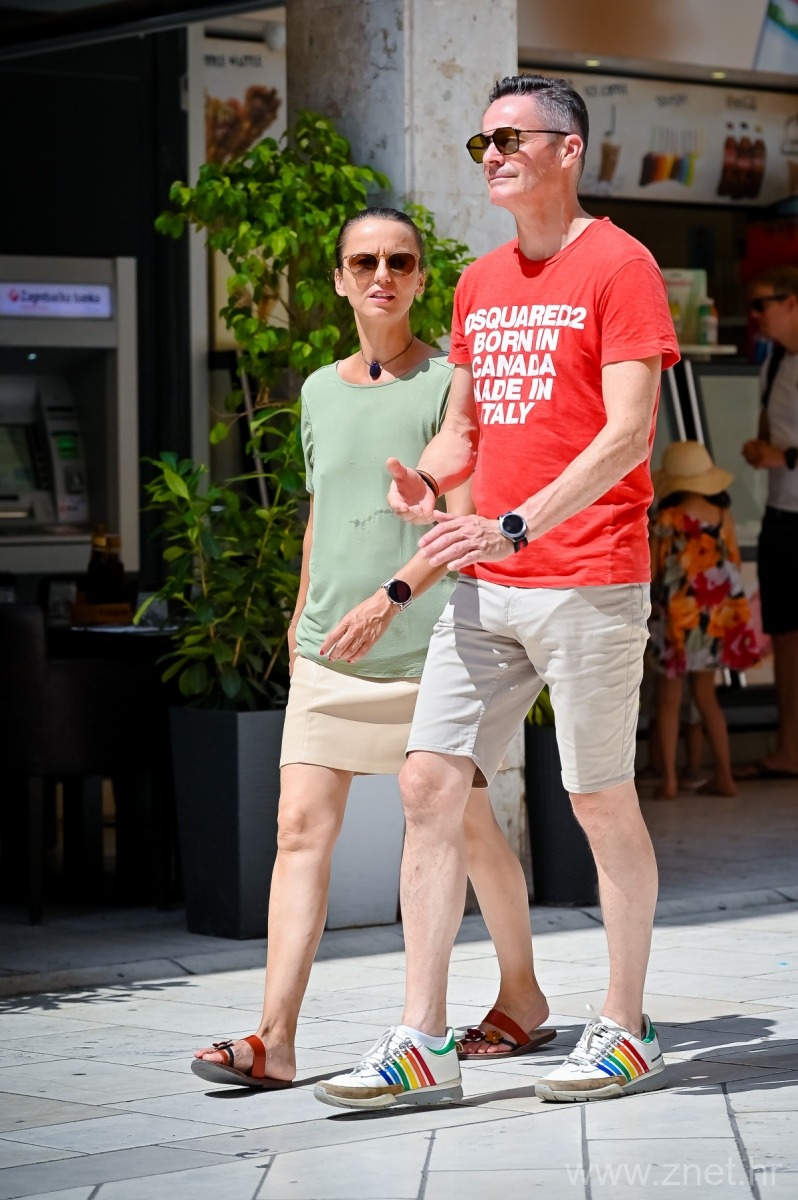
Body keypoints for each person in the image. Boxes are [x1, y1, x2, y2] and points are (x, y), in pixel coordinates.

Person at [315, 74, 680, 1112]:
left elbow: (627, 435)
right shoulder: (479, 283)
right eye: (483, 143)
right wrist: (430, 486)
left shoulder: (622, 265)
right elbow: (467, 431)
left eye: (512, 138)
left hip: (588, 578)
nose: (494, 156)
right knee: (428, 785)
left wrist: (518, 521)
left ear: (569, 149)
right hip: (486, 583)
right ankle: (421, 1040)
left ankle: (627, 1026)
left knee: (598, 800)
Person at [192, 207, 554, 1090]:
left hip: (435, 648)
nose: (381, 275)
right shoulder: (319, 389)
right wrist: (300, 616)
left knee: (470, 826)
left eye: (399, 261)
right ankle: (275, 1040)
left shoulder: (449, 385)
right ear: (340, 280)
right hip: (332, 646)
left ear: (421, 278)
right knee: (298, 829)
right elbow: (325, 506)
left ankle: (521, 995)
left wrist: (392, 600)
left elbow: (463, 520)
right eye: (364, 262)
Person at [647, 440, 761, 799]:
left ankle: (669, 781)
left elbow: (653, 570)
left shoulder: (666, 520)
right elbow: (734, 563)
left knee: (668, 700)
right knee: (707, 697)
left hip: (675, 621)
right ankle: (725, 775)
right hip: (712, 621)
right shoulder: (723, 517)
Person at [738, 266, 798, 780]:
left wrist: (787, 457)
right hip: (782, 513)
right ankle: (789, 748)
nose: (755, 316)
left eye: (763, 304)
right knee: (783, 637)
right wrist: (762, 450)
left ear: (793, 303)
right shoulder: (773, 360)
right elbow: (771, 428)